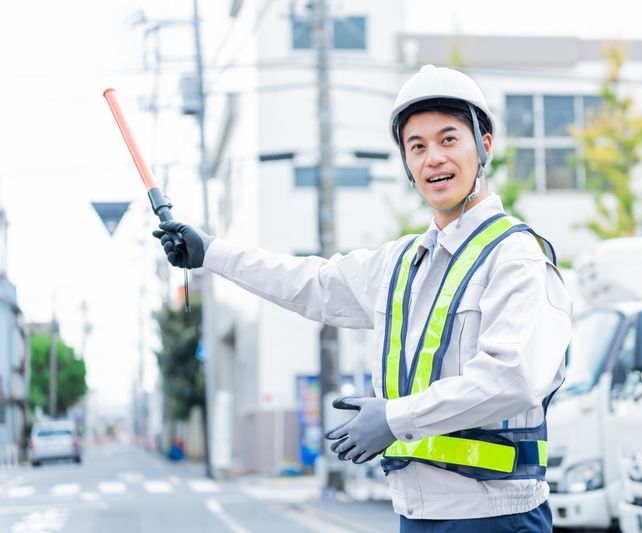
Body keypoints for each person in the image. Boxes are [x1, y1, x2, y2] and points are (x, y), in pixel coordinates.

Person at [154, 64, 571, 532]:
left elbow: (511, 378)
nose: (433, 157)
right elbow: (309, 282)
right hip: (415, 516)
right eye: (417, 146)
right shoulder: (402, 262)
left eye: (449, 139)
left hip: (497, 518)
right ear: (407, 164)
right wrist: (210, 252)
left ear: (485, 146)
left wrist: (394, 418)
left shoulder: (517, 256)